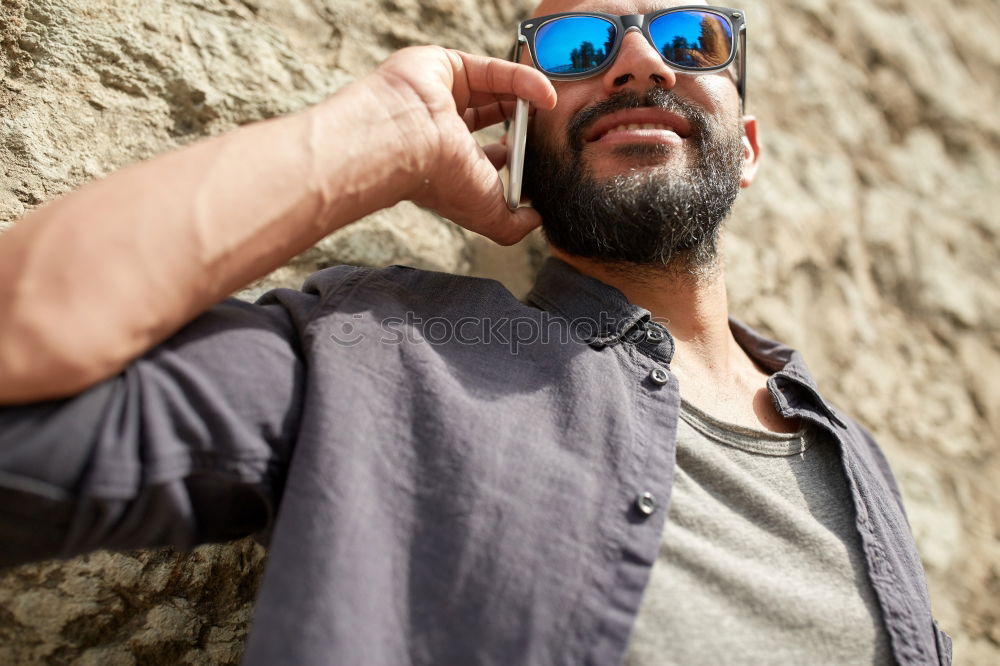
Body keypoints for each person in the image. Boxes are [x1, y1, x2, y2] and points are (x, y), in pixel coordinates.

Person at [0, 0, 951, 664]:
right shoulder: (375, 354)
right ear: (522, 145)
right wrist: (380, 134)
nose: (639, 62)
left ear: (745, 151)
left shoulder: (850, 464)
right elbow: (24, 340)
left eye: (690, 38)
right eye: (577, 50)